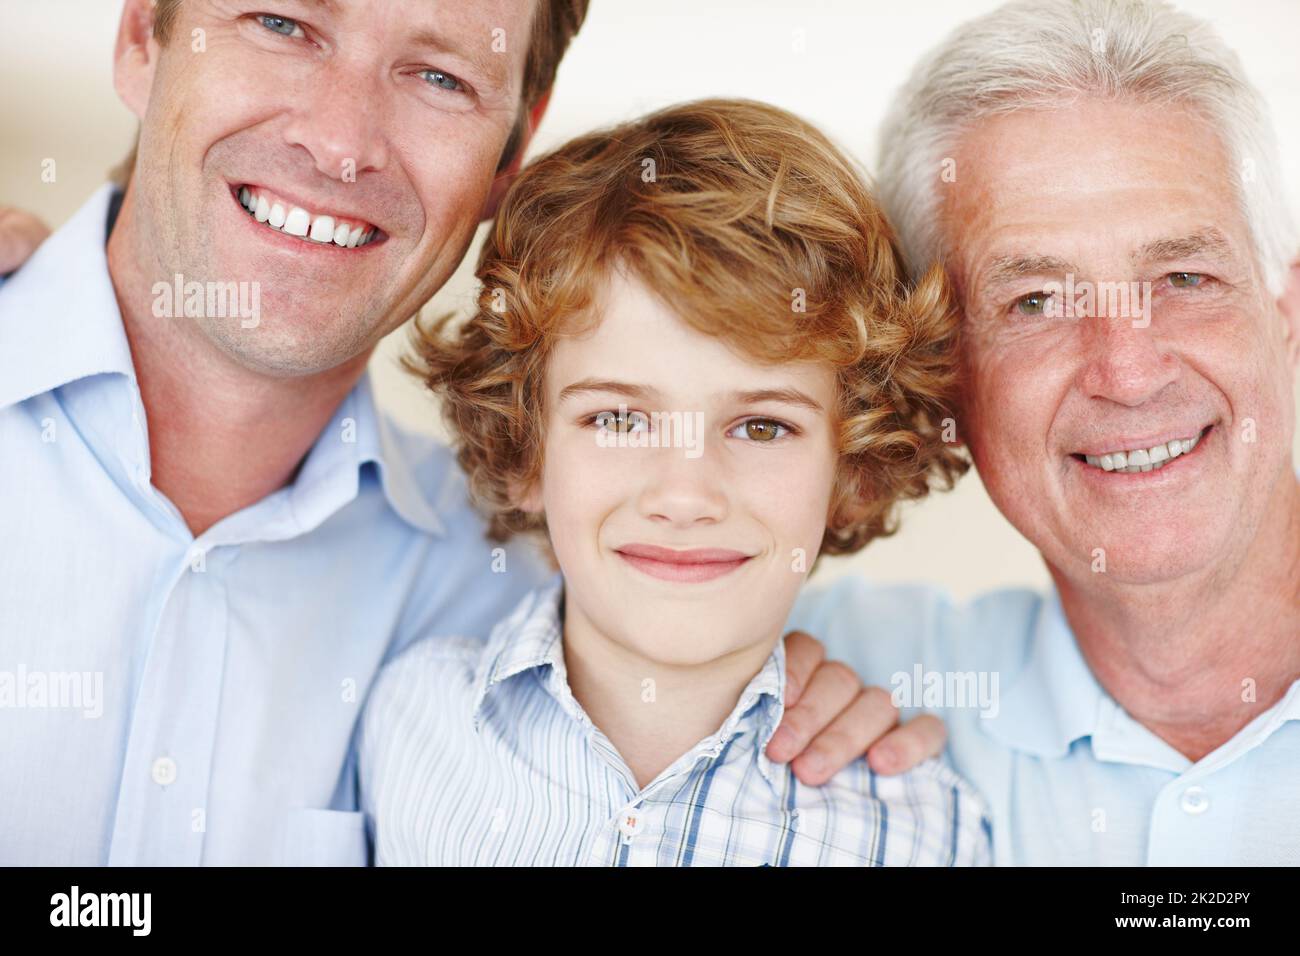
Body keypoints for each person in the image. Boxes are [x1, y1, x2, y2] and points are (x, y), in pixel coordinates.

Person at [0, 0, 930, 866]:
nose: (339, 143)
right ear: (137, 37)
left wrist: (777, 705)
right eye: (283, 23)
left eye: (441, 78)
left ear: (511, 150)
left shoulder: (500, 589)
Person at [360, 99, 992, 866]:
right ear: (526, 453)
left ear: (853, 469)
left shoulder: (923, 830)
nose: (686, 495)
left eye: (761, 427)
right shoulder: (402, 721)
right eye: (620, 420)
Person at [791, 0, 1300, 865]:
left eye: (1183, 275)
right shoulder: (856, 683)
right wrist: (723, 699)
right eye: (1035, 302)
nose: (1129, 371)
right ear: (944, 381)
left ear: (1286, 317)